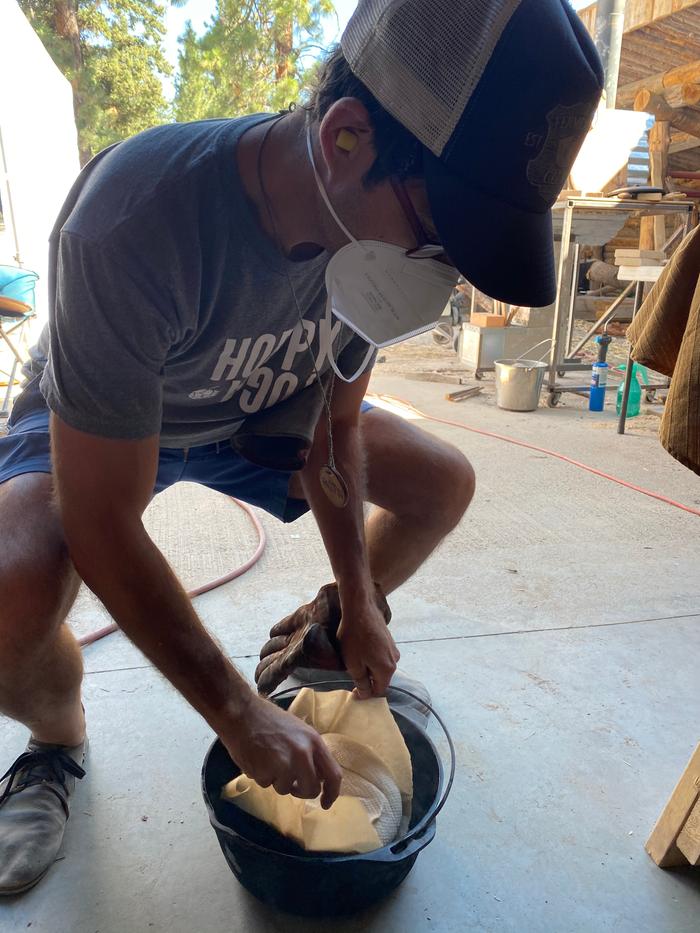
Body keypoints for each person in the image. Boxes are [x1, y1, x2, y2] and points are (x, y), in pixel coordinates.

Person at [0, 0, 602, 895]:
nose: (435, 273)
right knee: (10, 593)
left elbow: (335, 433)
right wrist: (237, 712)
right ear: (347, 137)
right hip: (118, 421)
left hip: (259, 412)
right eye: (437, 235)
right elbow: (100, 517)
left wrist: (357, 598)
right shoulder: (134, 219)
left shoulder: (368, 250)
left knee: (444, 481)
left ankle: (316, 634)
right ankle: (55, 742)